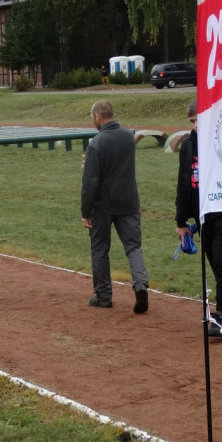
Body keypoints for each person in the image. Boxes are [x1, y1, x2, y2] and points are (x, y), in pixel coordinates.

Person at [175, 103, 222, 338]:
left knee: (220, 260)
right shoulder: (187, 145)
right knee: (213, 261)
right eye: (192, 122)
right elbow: (184, 184)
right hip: (202, 214)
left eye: (199, 120)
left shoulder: (221, 142)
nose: (196, 126)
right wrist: (181, 221)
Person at [80, 100, 149, 314]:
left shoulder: (96, 143)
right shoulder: (128, 137)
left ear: (98, 117)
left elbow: (91, 181)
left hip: (102, 204)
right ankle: (140, 285)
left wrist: (85, 210)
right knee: (133, 246)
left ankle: (103, 295)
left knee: (100, 248)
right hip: (128, 200)